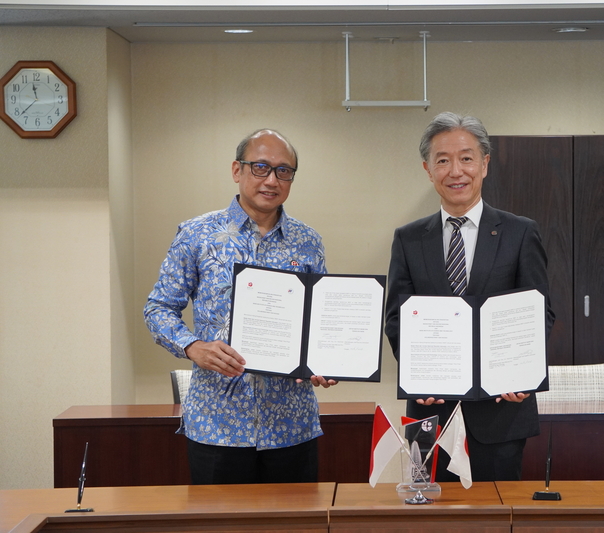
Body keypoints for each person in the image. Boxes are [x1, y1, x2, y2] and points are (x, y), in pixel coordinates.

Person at [144, 128, 337, 485]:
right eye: (260, 167)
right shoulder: (197, 234)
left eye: (284, 171)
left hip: (291, 425)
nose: (272, 179)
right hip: (218, 425)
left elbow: (320, 320)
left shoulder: (308, 242)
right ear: (237, 170)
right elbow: (157, 309)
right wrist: (193, 347)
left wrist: (329, 360)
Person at [385, 112, 555, 482]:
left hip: (501, 413)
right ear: (428, 170)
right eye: (442, 160)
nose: (455, 171)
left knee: (496, 517)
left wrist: (521, 374)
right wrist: (418, 376)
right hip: (431, 413)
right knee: (430, 518)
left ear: (485, 164)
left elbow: (538, 313)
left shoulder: (520, 233)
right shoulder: (408, 238)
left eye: (466, 158)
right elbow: (397, 317)